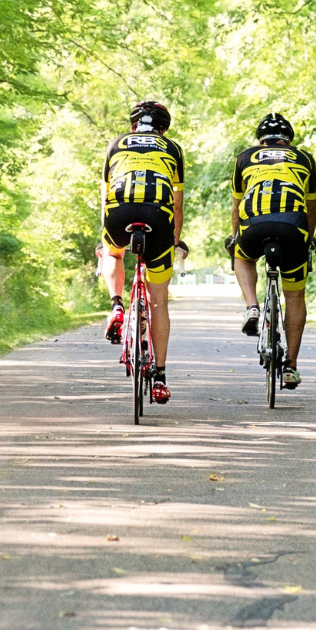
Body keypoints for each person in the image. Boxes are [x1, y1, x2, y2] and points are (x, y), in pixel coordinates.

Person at [100, 100, 186, 404]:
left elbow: (105, 195)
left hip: (120, 214)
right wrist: (175, 238)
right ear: (163, 128)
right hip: (158, 218)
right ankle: (160, 376)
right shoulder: (172, 148)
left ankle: (117, 305)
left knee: (112, 253)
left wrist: (107, 237)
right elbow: (176, 203)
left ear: (134, 124)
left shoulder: (116, 144)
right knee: (158, 303)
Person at [229, 113, 316, 389]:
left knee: (242, 258)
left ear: (260, 140)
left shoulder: (245, 158)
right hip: (293, 227)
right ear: (288, 140)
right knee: (294, 295)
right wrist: (309, 240)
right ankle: (291, 366)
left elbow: (236, 207)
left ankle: (252, 306)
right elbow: (311, 210)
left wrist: (235, 238)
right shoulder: (304, 158)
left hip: (254, 224)